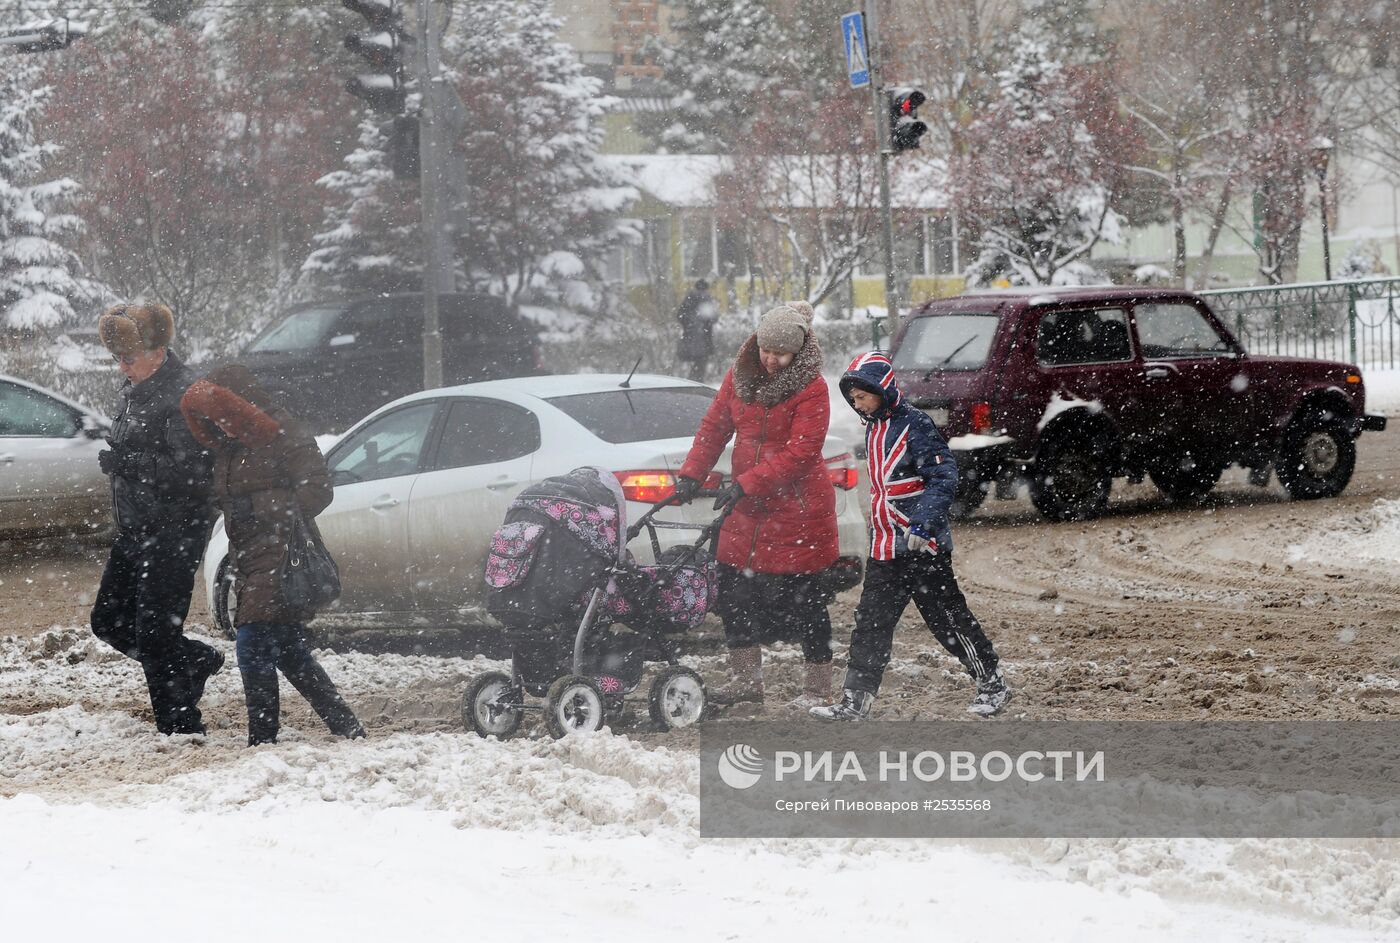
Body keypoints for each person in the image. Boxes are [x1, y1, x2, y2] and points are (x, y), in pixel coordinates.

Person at [812, 352, 1010, 721]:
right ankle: (856, 700)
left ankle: (991, 681)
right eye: (853, 399)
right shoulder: (872, 428)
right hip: (885, 548)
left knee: (948, 619)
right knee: (871, 622)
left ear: (883, 390)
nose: (858, 404)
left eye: (862, 397)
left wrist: (923, 524)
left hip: (923, 547)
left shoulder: (916, 424)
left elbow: (943, 477)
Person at [180, 365, 364, 746]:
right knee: (290, 652)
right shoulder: (229, 446)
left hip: (281, 554)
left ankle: (262, 739)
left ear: (241, 407)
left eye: (226, 418)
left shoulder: (284, 434)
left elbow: (318, 490)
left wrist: (261, 509)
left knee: (251, 645)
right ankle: (346, 727)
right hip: (247, 557)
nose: (223, 427)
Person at [675, 301, 839, 707]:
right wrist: (692, 472)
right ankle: (746, 680)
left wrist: (747, 483)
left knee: (807, 602)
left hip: (797, 510)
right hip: (748, 507)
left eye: (781, 354)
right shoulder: (739, 377)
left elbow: (802, 453)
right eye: (767, 350)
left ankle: (817, 688)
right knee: (734, 593)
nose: (771, 360)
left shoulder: (812, 388)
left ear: (798, 352)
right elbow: (715, 426)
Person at [90, 302, 223, 735]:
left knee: (154, 633)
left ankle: (181, 725)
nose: (122, 367)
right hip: (135, 528)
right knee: (107, 621)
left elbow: (192, 470)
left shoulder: (183, 393)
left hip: (175, 529)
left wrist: (128, 462)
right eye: (117, 358)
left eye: (128, 358)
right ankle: (197, 660)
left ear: (157, 350)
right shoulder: (136, 392)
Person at [675, 279, 719, 382]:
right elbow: (713, 318)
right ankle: (697, 385)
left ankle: (690, 383)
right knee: (700, 365)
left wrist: (689, 325)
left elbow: (680, 316)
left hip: (689, 338)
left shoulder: (689, 298)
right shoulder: (705, 298)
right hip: (703, 339)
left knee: (692, 365)